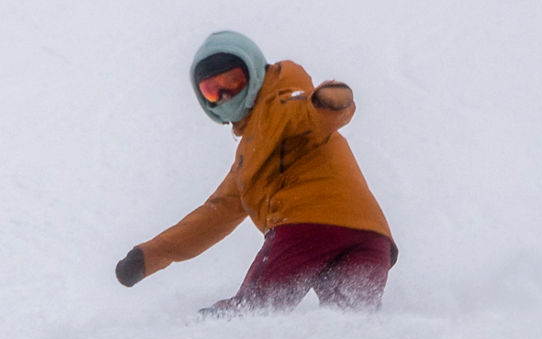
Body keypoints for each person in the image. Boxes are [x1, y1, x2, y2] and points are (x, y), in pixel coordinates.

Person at [115, 30, 397, 315]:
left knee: (252, 313)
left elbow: (314, 114)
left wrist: (331, 99)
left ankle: (202, 337)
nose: (225, 95)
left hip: (306, 229)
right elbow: (214, 216)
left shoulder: (282, 106)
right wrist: (151, 254)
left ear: (254, 72)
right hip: (371, 238)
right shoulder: (249, 157)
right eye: (212, 90)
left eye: (233, 82)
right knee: (349, 322)